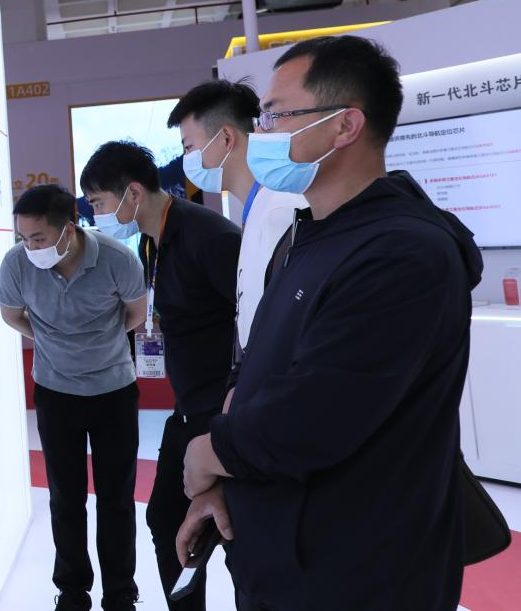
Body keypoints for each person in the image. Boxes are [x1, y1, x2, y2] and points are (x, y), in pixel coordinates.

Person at [178, 36, 482, 611]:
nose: (260, 132)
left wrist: (208, 453)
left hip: (355, 571)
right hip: (281, 552)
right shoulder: (309, 234)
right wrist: (223, 482)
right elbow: (260, 368)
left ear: (345, 126)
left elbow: (315, 415)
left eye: (276, 115)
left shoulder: (402, 253)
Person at [80, 142, 240, 611]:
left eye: (98, 204)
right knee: (166, 518)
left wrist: (232, 414)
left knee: (238, 532)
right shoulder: (153, 240)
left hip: (224, 411)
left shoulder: (208, 236)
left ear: (132, 193)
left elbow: (255, 327)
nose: (96, 215)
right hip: (188, 409)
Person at [0, 184, 147, 611]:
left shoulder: (117, 259)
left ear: (68, 228)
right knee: (65, 498)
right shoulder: (16, 264)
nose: (30, 247)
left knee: (117, 498)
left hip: (113, 391)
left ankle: (120, 592)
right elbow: (11, 315)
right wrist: (52, 341)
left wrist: (97, 343)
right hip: (55, 393)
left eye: (38, 238)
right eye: (24, 238)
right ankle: (72, 589)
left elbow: (136, 313)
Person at [167, 79, 304, 388]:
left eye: (189, 147)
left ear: (227, 137)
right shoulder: (258, 209)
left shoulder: (282, 211)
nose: (187, 159)